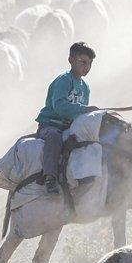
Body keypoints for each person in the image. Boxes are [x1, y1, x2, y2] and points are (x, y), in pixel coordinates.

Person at [35, 41, 97, 194]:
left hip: (69, 127)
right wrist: (84, 110)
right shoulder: (63, 80)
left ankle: (84, 177)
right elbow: (60, 106)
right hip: (50, 125)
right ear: (70, 60)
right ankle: (49, 177)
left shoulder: (85, 87)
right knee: (55, 138)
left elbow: (80, 116)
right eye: (82, 62)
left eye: (89, 63)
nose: (86, 67)